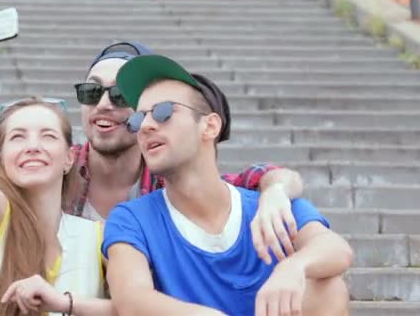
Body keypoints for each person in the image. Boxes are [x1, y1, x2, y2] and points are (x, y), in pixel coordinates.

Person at [0, 35, 305, 314]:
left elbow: (256, 181)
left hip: (134, 304)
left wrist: (276, 193)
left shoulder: (168, 174)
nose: (105, 104)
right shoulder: (48, 171)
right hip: (45, 296)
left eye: (121, 95)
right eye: (91, 92)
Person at [102, 54, 353, 316]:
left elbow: (336, 249)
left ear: (210, 126)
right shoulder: (131, 219)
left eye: (163, 112)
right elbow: (131, 299)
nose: (146, 126)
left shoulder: (267, 208)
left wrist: (293, 268)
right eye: (138, 120)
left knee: (328, 286)